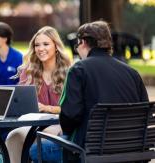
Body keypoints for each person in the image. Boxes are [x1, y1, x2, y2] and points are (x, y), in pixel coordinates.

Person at [32, 20, 149, 162]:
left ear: (82, 42)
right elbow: (144, 114)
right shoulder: (133, 73)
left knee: (33, 149)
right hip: (131, 150)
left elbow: (69, 117)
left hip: (87, 151)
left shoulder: (78, 70)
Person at [5, 26, 71, 163]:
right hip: (33, 124)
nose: (40, 49)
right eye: (37, 45)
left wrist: (48, 108)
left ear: (56, 46)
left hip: (60, 124)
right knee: (14, 136)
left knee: (41, 136)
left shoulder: (70, 72)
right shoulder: (28, 72)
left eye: (46, 44)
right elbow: (19, 103)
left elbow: (71, 108)